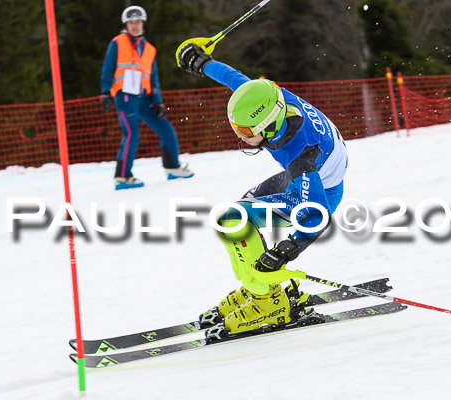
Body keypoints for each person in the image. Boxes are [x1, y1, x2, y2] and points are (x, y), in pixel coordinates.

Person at [178, 44, 348, 336]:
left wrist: (287, 250)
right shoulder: (267, 96)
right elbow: (235, 80)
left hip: (319, 190)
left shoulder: (299, 154)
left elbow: (317, 214)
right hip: (309, 175)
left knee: (233, 218)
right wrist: (201, 63)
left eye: (245, 132)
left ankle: (268, 301)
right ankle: (258, 289)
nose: (239, 136)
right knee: (239, 212)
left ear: (268, 126)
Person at [100, 6, 194, 190]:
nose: (135, 26)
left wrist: (157, 100)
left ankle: (172, 168)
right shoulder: (117, 43)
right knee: (132, 134)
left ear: (143, 24)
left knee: (166, 129)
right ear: (126, 25)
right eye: (131, 23)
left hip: (144, 98)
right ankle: (122, 176)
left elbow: (153, 78)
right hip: (125, 96)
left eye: (138, 22)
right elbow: (108, 68)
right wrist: (105, 91)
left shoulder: (149, 49)